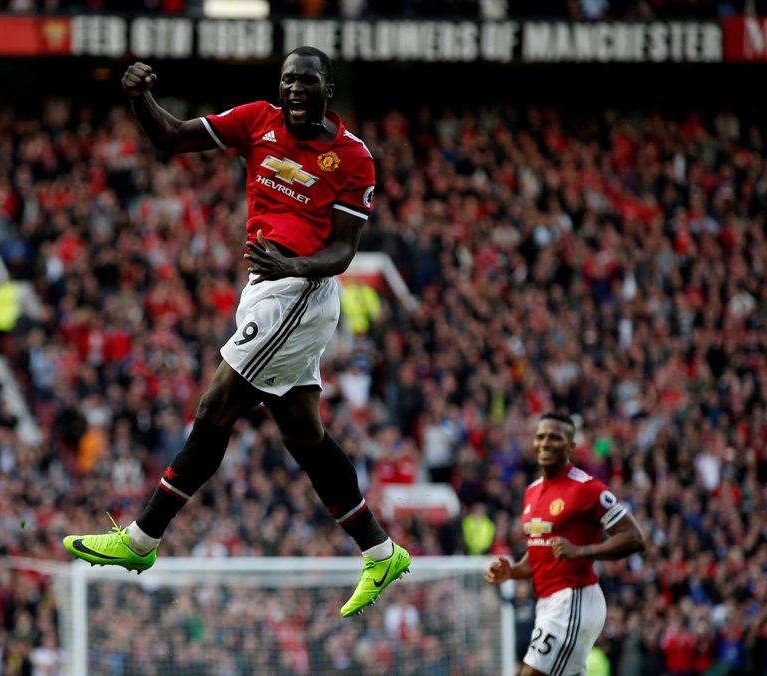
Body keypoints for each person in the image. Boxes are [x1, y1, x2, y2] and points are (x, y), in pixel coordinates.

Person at [63, 46, 410, 618]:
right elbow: (172, 138)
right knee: (303, 436)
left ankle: (142, 539)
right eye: (287, 81)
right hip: (267, 287)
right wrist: (138, 98)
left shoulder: (352, 157)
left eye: (306, 81)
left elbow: (344, 251)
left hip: (299, 292)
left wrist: (293, 268)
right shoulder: (257, 120)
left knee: (216, 405)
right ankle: (380, 550)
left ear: (327, 89)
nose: (294, 90)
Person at [485, 412, 646, 675]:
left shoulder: (587, 489)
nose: (545, 443)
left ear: (571, 446)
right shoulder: (532, 491)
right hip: (548, 602)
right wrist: (513, 571)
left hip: (574, 599)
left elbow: (634, 537)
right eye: (541, 436)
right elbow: (541, 552)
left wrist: (582, 551)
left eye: (555, 438)